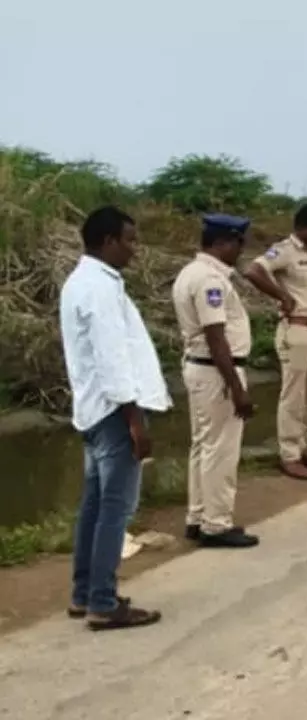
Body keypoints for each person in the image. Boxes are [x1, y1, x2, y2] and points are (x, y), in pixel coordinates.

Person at [59, 206, 169, 631]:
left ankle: (84, 593)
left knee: (93, 506)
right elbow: (112, 357)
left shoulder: (80, 282)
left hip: (92, 410)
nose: (135, 249)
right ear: (108, 241)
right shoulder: (100, 289)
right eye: (130, 240)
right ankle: (102, 602)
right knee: (114, 510)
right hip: (113, 412)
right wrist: (134, 419)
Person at [171, 214, 259, 548]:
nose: (240, 250)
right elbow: (216, 336)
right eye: (238, 244)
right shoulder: (209, 280)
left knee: (203, 446)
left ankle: (197, 517)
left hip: (202, 368)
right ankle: (216, 523)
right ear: (222, 242)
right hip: (217, 369)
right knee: (220, 450)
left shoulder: (190, 273)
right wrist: (237, 387)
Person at [244, 203, 307, 481]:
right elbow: (254, 270)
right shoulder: (284, 251)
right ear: (300, 228)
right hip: (297, 329)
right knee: (293, 395)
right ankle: (290, 454)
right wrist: (281, 296)